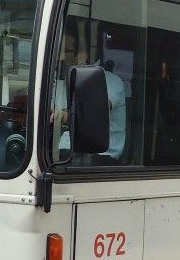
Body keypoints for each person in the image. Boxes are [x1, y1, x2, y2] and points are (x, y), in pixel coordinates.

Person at [54, 30, 127, 163]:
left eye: (64, 50)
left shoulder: (109, 81)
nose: (59, 55)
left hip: (99, 158)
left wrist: (65, 115)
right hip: (64, 154)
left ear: (82, 56)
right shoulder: (62, 81)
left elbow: (97, 110)